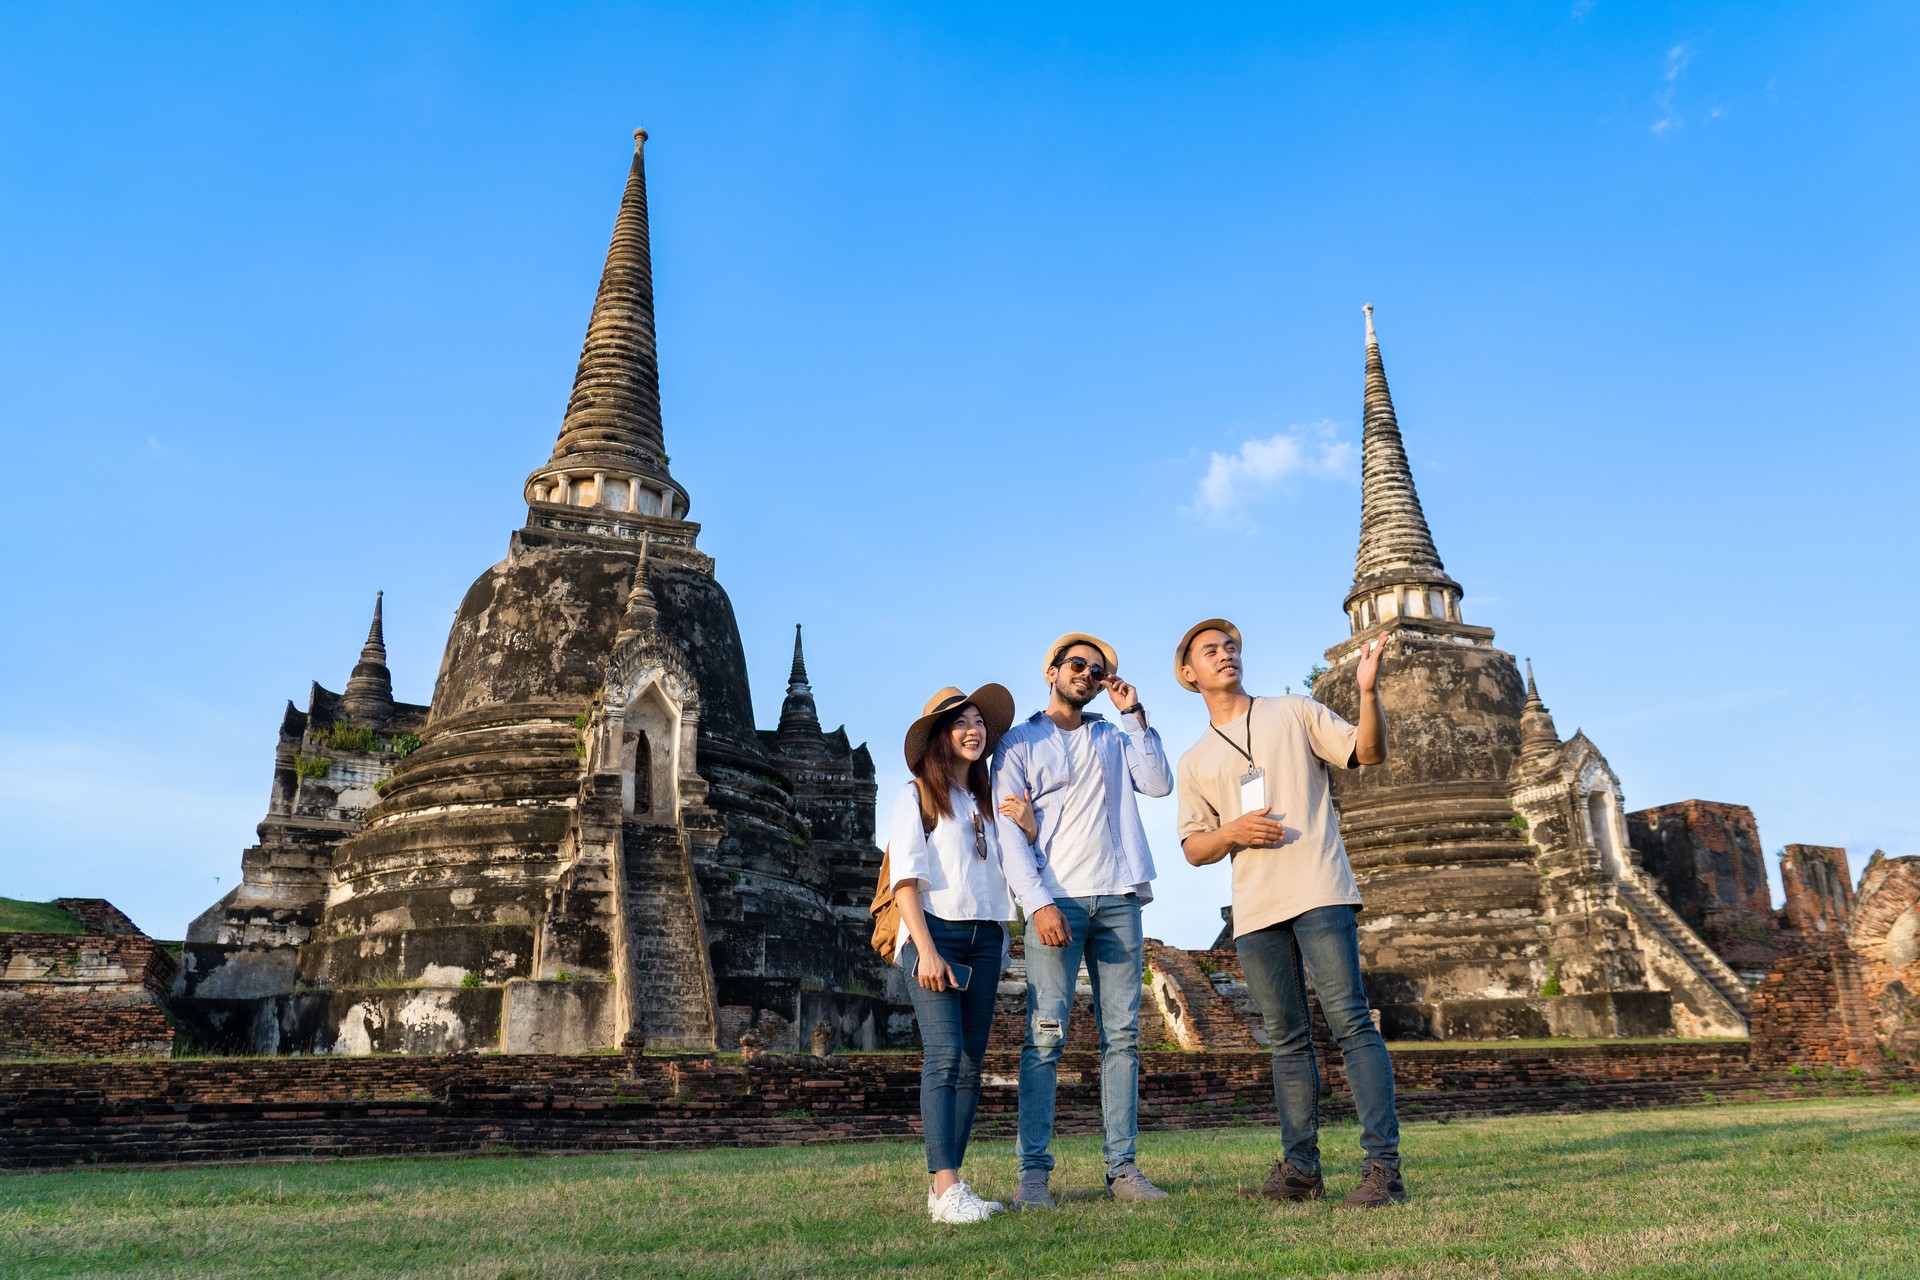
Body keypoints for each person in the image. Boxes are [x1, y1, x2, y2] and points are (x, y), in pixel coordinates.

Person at [1172, 618, 1406, 1208]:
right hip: (1256, 909)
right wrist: (1231, 830)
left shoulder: (1294, 712)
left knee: (1351, 1023)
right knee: (1286, 1042)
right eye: (1210, 651)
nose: (1225, 655)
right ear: (1188, 673)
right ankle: (1302, 1170)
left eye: (1230, 647)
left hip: (1320, 886)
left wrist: (1368, 691)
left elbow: (1367, 750)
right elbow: (1193, 848)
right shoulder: (1196, 759)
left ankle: (1383, 1170)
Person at [991, 633, 1172, 1209]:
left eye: (1096, 672)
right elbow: (1007, 837)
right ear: (1051, 671)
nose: (1087, 676)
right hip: (1058, 900)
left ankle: (1122, 1169)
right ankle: (1033, 1177)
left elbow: (1158, 783)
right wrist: (1038, 903)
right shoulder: (1018, 744)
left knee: (1123, 1037)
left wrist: (1135, 715)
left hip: (1117, 897)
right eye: (1077, 665)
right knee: (1045, 1038)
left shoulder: (1114, 738)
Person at [889, 683, 1026, 1225]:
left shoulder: (992, 800)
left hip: (986, 938)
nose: (973, 730)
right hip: (935, 935)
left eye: (978, 721)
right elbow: (905, 881)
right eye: (960, 723)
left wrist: (1028, 823)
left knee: (971, 1067)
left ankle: (951, 1186)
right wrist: (924, 950)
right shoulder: (916, 794)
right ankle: (945, 1190)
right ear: (940, 738)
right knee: (944, 1057)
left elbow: (1011, 869)